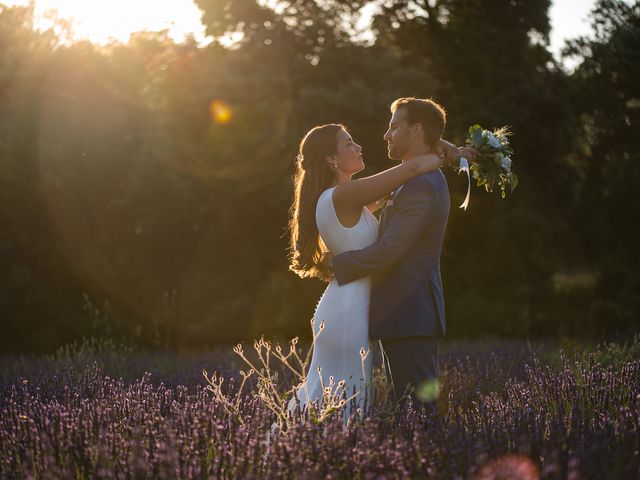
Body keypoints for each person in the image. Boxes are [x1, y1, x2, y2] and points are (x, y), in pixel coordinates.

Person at [286, 114, 473, 419]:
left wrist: (441, 144)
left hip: (348, 304)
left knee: (338, 398)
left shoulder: (347, 200)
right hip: (348, 309)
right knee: (345, 401)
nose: (358, 146)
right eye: (349, 143)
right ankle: (311, 455)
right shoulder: (344, 195)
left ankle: (308, 453)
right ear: (332, 159)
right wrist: (456, 155)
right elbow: (411, 168)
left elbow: (397, 187)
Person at [330, 97, 458, 406]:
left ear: (416, 130)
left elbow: (391, 250)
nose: (386, 135)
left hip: (412, 315)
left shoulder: (423, 186)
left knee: (418, 417)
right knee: (410, 414)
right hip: (404, 316)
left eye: (393, 127)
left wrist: (337, 266)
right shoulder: (412, 180)